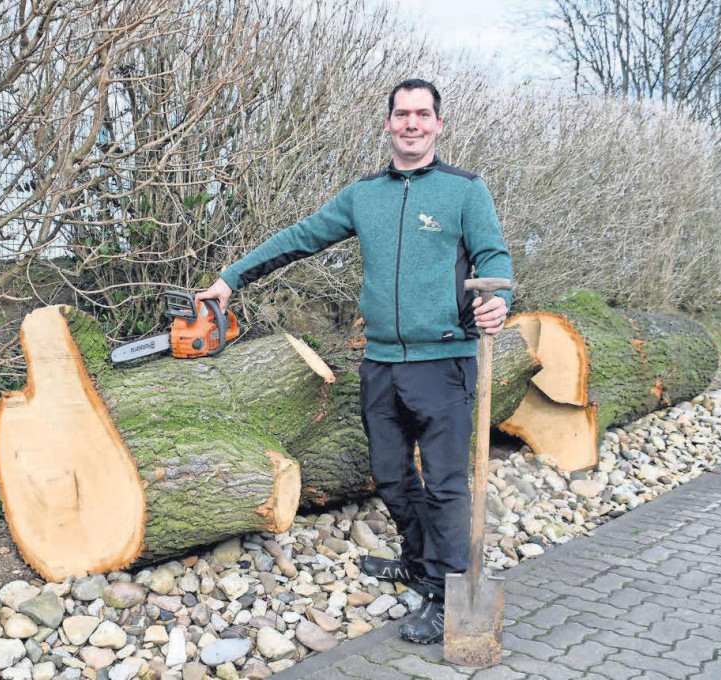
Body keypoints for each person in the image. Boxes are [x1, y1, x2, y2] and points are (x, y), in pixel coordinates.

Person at [196, 78, 513, 644]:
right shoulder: (363, 195)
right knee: (392, 477)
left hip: (446, 361)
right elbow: (302, 235)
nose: (411, 123)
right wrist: (230, 278)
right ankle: (420, 562)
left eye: (422, 114)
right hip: (381, 363)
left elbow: (493, 257)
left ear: (439, 124)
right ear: (389, 124)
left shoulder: (466, 191)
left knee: (444, 485)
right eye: (402, 114)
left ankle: (447, 593)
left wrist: (498, 301)